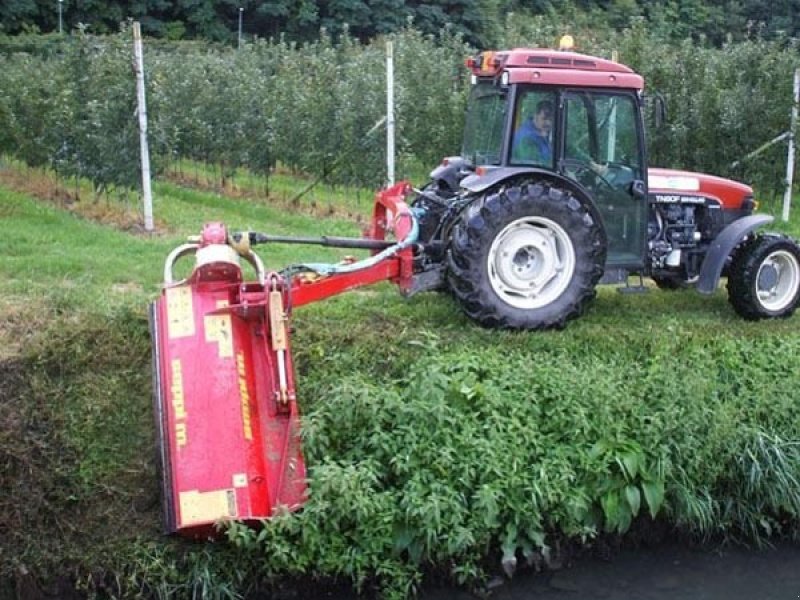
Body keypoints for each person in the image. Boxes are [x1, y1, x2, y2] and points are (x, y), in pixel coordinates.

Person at [512, 99, 553, 165]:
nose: (548, 123)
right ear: (535, 116)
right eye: (544, 118)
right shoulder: (526, 138)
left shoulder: (541, 132)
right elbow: (537, 165)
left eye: (551, 119)